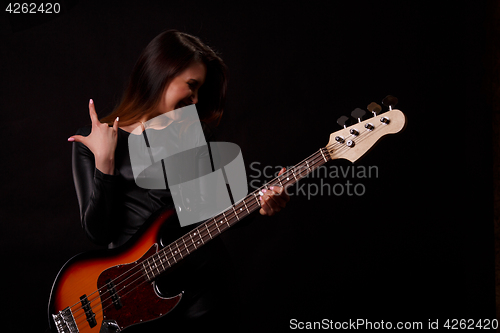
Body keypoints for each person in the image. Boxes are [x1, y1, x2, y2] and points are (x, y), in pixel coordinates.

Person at [68, 30, 289, 332]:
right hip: (136, 299)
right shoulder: (91, 141)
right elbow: (98, 231)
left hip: (203, 293)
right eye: (192, 86)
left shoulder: (191, 135)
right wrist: (104, 162)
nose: (196, 99)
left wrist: (262, 206)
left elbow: (217, 212)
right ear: (162, 73)